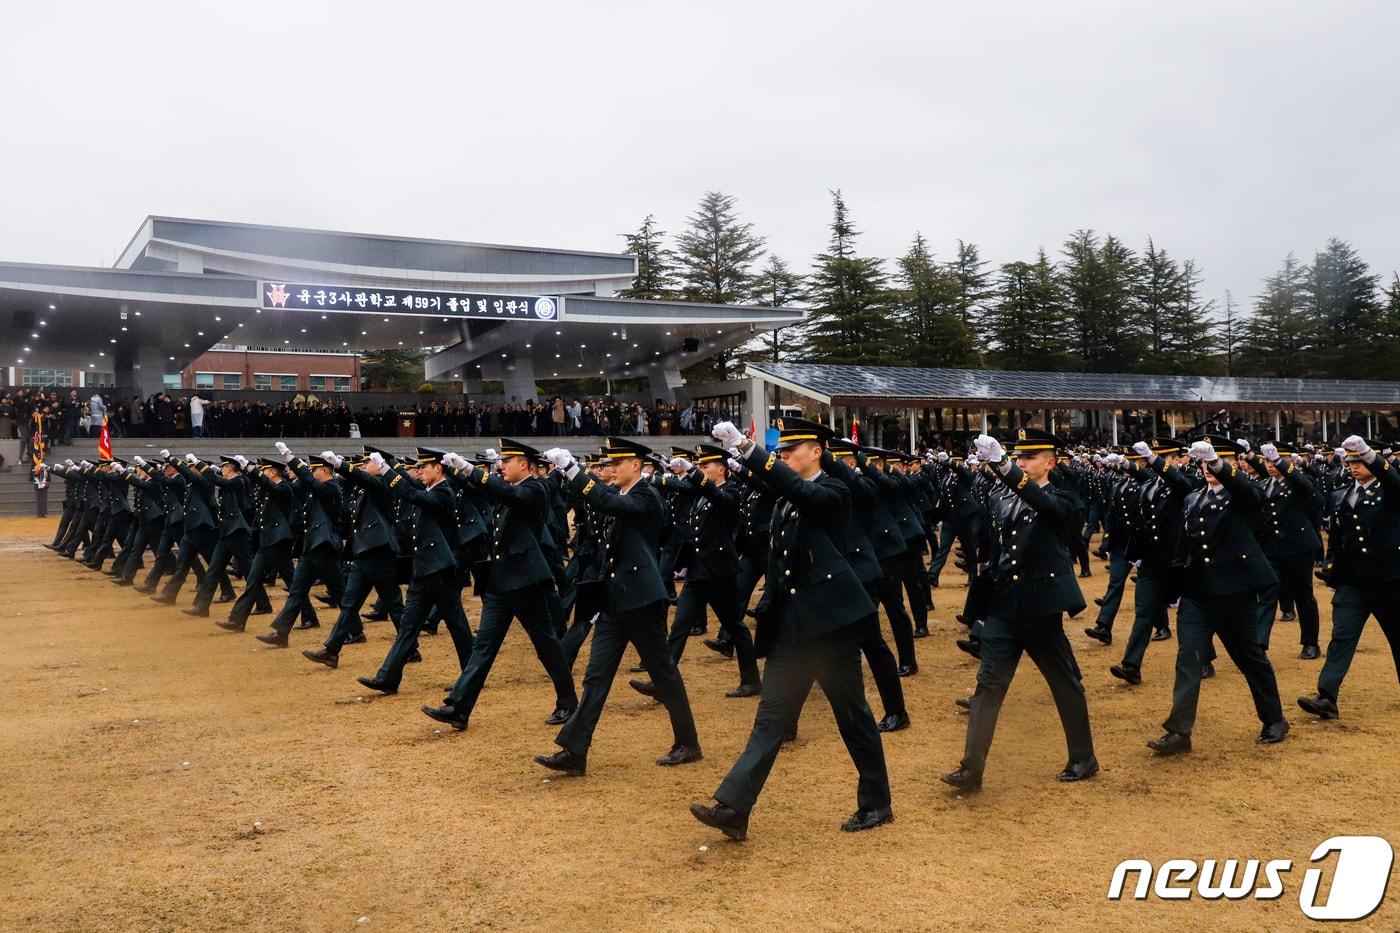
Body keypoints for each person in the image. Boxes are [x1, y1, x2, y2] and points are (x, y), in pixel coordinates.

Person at [690, 418, 891, 841]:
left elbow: (798, 490)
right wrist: (738, 457)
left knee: (852, 717)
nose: (783, 455)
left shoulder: (835, 491)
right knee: (770, 719)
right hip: (793, 627)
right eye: (780, 450)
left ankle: (877, 803)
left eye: (791, 449)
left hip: (831, 625)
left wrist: (748, 447)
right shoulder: (785, 495)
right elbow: (773, 486)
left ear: (817, 451)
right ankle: (735, 808)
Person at [532, 438, 703, 776]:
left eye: (618, 463)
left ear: (637, 466)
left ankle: (688, 742)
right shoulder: (622, 495)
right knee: (596, 677)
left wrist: (570, 469)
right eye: (609, 463)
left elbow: (601, 499)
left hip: (642, 599)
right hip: (615, 599)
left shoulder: (645, 497)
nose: (611, 468)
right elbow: (602, 501)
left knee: (664, 674)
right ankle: (574, 750)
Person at [941, 429, 1098, 793]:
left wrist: (1009, 469)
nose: (1023, 462)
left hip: (1040, 609)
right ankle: (971, 768)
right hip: (1005, 606)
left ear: (1050, 462)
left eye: (1030, 457)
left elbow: (1048, 508)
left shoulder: (1062, 497)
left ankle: (1083, 758)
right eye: (1019, 456)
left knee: (1064, 684)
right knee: (988, 686)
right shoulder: (1002, 495)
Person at [417, 440, 577, 728]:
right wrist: (460, 472)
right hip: (502, 581)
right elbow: (484, 490)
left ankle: (568, 702)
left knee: (546, 645)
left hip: (526, 581)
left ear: (525, 464)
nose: (503, 465)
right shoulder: (510, 489)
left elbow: (501, 490)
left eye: (509, 460)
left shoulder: (534, 489)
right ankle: (460, 706)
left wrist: (469, 468)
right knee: (484, 647)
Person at [1146, 436, 1287, 754]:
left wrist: (1220, 465)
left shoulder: (1243, 496)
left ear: (1235, 463)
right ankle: (1180, 731)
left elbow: (1248, 492)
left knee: (1249, 658)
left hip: (1233, 593)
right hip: (1197, 594)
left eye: (1217, 461)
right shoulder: (1194, 497)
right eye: (1205, 461)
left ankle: (1274, 718)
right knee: (1188, 658)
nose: (1208, 467)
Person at [632, 444, 761, 699]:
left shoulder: (730, 492)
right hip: (699, 571)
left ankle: (751, 680)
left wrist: (693, 473)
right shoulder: (701, 493)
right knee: (679, 626)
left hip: (721, 572)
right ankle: (663, 682)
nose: (702, 470)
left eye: (706, 466)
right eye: (700, 466)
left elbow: (718, 498)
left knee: (735, 627)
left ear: (721, 469)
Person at [1298, 435, 1400, 720]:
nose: (1353, 467)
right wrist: (1333, 569)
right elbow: (1340, 539)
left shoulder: (1389, 490)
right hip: (1353, 581)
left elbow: (1394, 479)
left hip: (1388, 579)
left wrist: (1370, 455)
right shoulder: (1342, 494)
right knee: (1341, 637)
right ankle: (1327, 696)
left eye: (1359, 461)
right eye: (1350, 461)